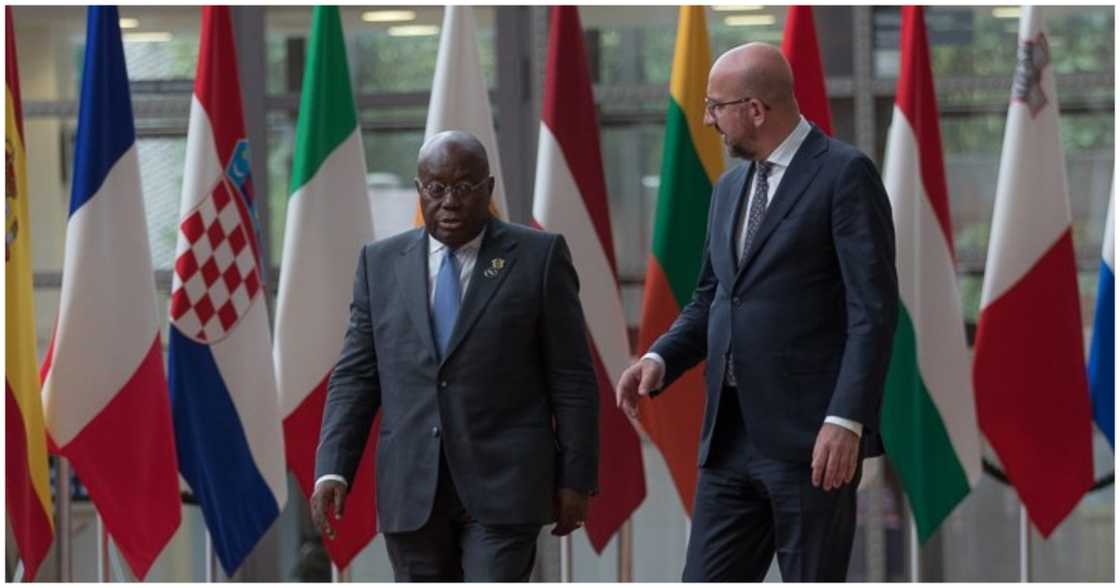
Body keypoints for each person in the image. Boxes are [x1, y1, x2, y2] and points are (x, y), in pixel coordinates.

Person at [616, 43, 899, 581]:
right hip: (728, 438)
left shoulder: (844, 174)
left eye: (715, 106)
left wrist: (847, 419)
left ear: (755, 109)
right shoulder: (729, 188)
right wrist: (660, 358)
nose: (707, 119)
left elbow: (873, 310)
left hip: (813, 442)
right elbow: (713, 297)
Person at [311, 130, 599, 581]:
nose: (449, 201)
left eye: (464, 187)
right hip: (412, 489)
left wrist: (575, 477)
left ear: (488, 189)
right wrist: (332, 469)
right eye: (436, 187)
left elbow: (572, 377)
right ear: (419, 188)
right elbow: (355, 377)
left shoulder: (538, 257)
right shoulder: (380, 264)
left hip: (505, 485)